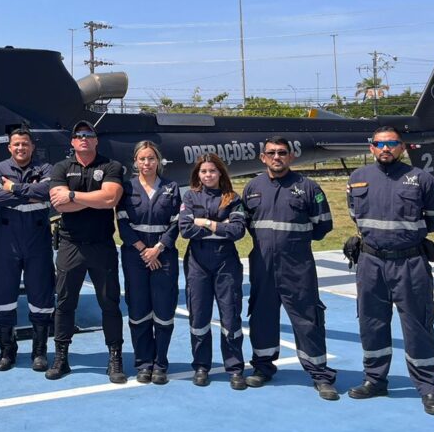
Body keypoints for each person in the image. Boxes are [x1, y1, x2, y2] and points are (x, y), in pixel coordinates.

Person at [346, 126, 434, 416]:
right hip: (370, 263)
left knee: (418, 324)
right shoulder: (357, 179)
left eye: (392, 143)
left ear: (402, 147)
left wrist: (405, 237)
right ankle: (375, 379)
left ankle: (428, 386)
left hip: (409, 263)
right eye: (379, 144)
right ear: (372, 148)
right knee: (371, 322)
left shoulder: (421, 179)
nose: (385, 148)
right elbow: (355, 214)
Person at [242, 136, 338, 400]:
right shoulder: (252, 187)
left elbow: (322, 227)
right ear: (263, 157)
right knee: (261, 317)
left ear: (291, 156)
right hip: (262, 266)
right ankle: (262, 367)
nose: (276, 157)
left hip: (297, 267)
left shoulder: (308, 187)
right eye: (271, 153)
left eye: (282, 152)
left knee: (308, 319)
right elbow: (246, 224)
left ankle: (320, 375)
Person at [47, 121, 125, 382]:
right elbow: (59, 204)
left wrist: (72, 196)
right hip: (70, 245)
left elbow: (110, 199)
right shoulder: (61, 167)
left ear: (95, 140)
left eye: (88, 135)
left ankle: (115, 357)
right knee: (65, 303)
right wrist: (88, 199)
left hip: (102, 245)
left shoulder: (111, 166)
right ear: (72, 142)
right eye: (78, 135)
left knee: (110, 304)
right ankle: (61, 357)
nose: (83, 139)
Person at [0, 127, 54, 372]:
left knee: (41, 296)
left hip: (38, 240)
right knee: (3, 295)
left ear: (32, 146)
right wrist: (30, 195)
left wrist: (13, 189)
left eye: (25, 144)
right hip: (7, 240)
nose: (20, 148)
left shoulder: (45, 170)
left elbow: (47, 192)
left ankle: (39, 351)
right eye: (16, 144)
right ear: (9, 147)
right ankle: (7, 349)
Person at [178, 154, 248, 390]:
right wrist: (221, 225)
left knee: (230, 316)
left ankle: (235, 368)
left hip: (226, 263)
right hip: (198, 263)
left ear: (220, 173)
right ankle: (201, 366)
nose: (208, 175)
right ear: (198, 174)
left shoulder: (232, 198)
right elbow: (186, 230)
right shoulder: (190, 196)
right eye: (203, 171)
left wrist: (206, 223)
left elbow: (238, 231)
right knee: (199, 317)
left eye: (212, 171)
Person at [116, 141, 180, 385]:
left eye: (151, 158)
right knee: (138, 309)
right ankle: (144, 363)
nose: (147, 163)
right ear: (135, 162)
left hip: (163, 254)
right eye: (142, 159)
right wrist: (144, 250)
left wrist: (158, 249)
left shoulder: (171, 188)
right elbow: (122, 223)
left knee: (164, 310)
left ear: (158, 161)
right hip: (136, 255)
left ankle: (160, 363)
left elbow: (176, 223)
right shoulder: (127, 188)